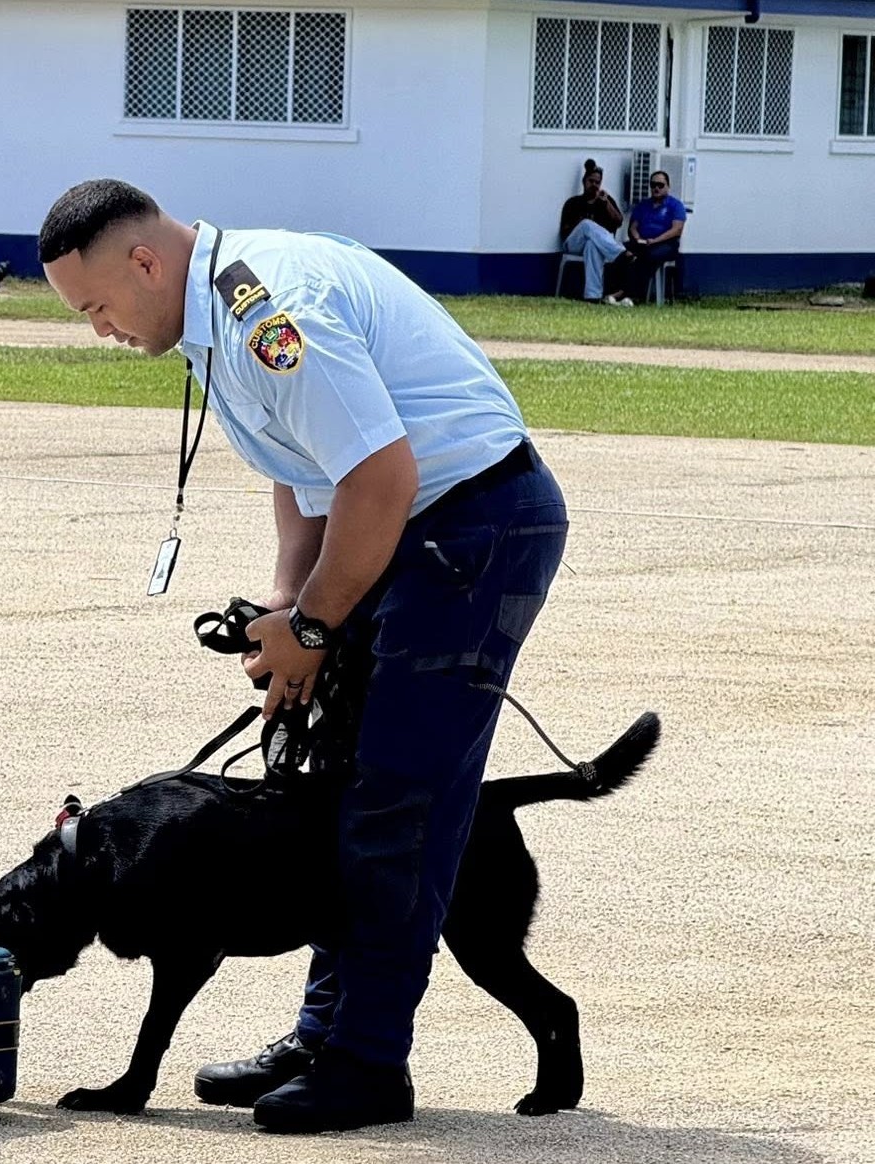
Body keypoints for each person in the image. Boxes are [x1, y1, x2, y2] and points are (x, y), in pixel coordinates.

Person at [38, 179, 569, 1133]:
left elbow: (380, 473)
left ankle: (367, 1063)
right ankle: (325, 1035)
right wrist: (287, 613)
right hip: (401, 528)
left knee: (397, 804)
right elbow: (309, 477)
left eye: (98, 307)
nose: (100, 330)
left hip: (472, 528)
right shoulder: (210, 318)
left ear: (146, 264)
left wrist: (317, 629)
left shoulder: (263, 310)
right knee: (332, 795)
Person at [606, 170, 687, 307]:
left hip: (666, 243)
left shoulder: (676, 205)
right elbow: (633, 227)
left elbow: (677, 230)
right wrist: (638, 238)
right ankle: (611, 291)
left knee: (649, 256)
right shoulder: (643, 206)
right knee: (619, 251)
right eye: (653, 185)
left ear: (668, 187)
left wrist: (655, 241)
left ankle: (628, 294)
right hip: (643, 242)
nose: (656, 188)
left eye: (660, 185)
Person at [558, 159, 626, 303]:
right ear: (584, 182)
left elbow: (619, 221)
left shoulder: (606, 201)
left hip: (598, 246)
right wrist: (582, 225)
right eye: (591, 181)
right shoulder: (573, 202)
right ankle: (620, 254)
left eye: (597, 182)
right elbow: (565, 231)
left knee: (592, 245)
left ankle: (592, 296)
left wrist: (606, 203)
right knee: (587, 225)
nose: (594, 185)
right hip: (573, 243)